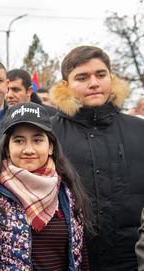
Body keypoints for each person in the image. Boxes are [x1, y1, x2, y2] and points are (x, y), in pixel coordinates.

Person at [49, 45, 144, 270]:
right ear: (66, 86)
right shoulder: (48, 134)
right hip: (70, 261)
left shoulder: (139, 130)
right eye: (82, 77)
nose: (94, 83)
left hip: (131, 260)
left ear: (111, 78)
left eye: (100, 75)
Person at [0, 102, 92, 270]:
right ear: (7, 148)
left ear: (50, 147)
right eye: (19, 141)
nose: (28, 149)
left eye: (37, 140)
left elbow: (80, 255)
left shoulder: (68, 191)